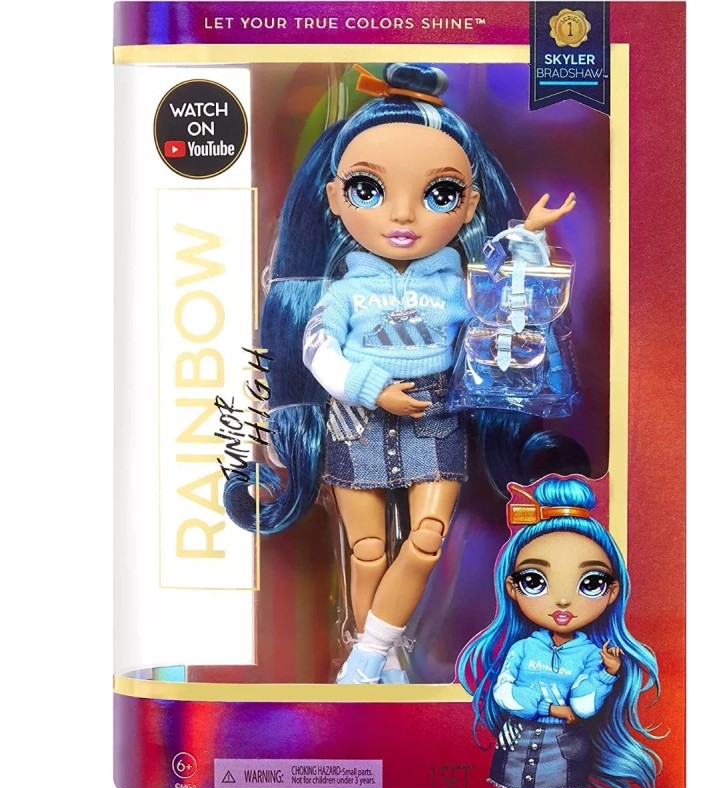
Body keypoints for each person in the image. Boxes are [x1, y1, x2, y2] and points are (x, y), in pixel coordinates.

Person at [224, 63, 585, 684]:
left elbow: (509, 303)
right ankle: (384, 656)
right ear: (334, 198)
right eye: (368, 189)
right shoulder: (341, 291)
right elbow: (317, 349)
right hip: (355, 417)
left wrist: (527, 238)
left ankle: (366, 656)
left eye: (439, 194)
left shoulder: (455, 285)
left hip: (435, 414)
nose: (402, 214)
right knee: (366, 551)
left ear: (469, 205)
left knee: (427, 539)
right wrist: (370, 387)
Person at [457, 477, 661, 788]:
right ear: (512, 587)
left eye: (590, 583)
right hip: (516, 739)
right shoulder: (523, 648)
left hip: (564, 746)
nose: (563, 601)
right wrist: (552, 708)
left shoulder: (592, 654)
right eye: (534, 580)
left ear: (612, 592)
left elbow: (583, 705)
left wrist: (606, 675)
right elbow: (505, 693)